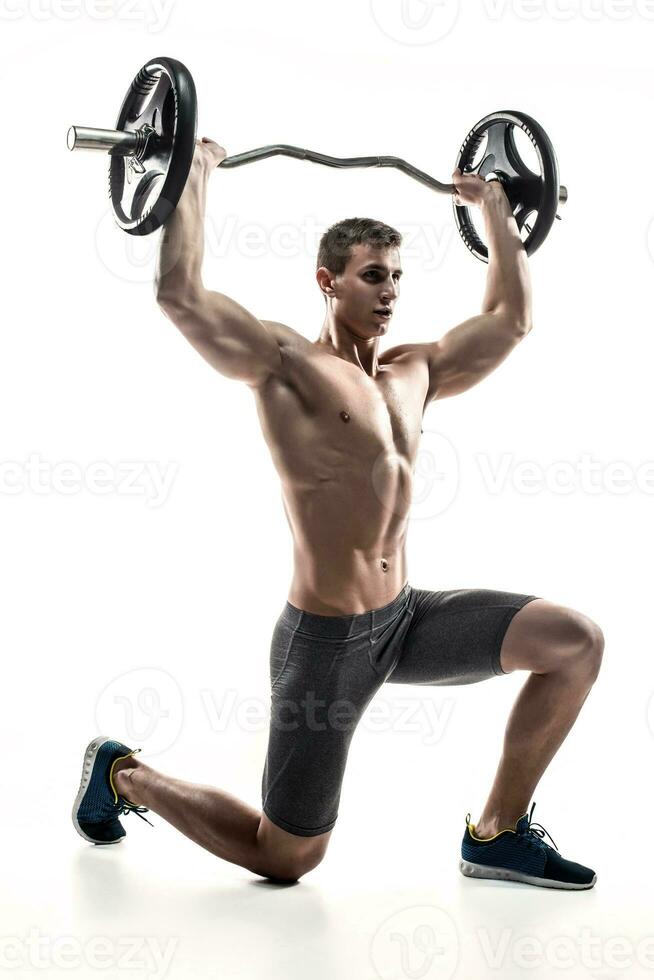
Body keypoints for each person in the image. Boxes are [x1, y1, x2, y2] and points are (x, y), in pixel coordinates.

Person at [72, 137, 604, 889]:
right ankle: (122, 773)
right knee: (285, 856)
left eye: (396, 278)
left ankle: (496, 833)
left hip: (406, 620)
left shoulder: (415, 372)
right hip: (326, 646)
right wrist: (190, 177)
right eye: (372, 276)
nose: (389, 292)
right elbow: (180, 296)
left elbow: (510, 320)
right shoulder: (284, 366)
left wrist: (499, 214)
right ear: (328, 281)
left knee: (574, 643)